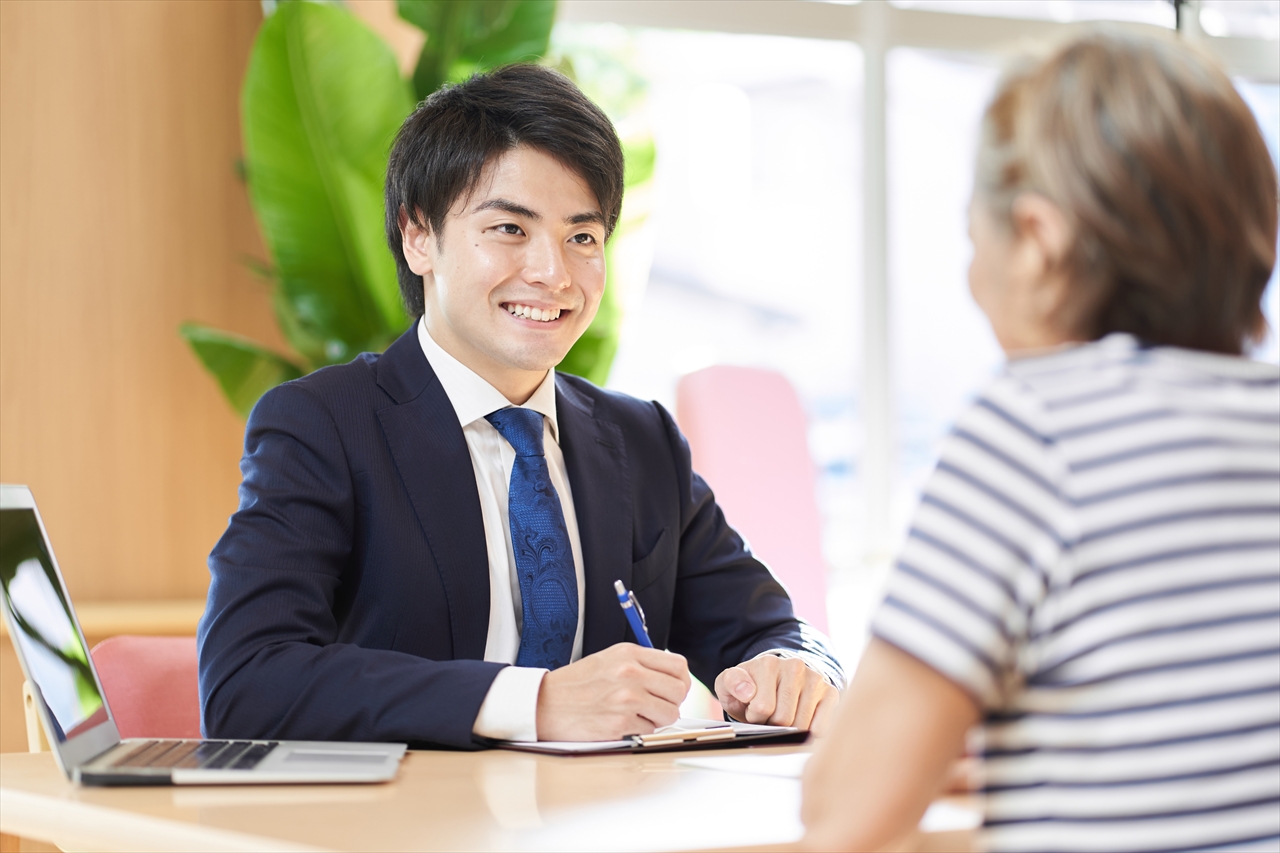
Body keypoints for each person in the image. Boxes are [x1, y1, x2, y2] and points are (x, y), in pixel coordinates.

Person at [197, 64, 844, 749]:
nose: (553, 273)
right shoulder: (324, 424)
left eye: (582, 237)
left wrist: (794, 668)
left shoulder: (642, 437)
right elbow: (246, 679)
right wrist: (531, 701)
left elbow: (770, 628)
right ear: (419, 235)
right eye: (509, 228)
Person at [801, 30, 1279, 853]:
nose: (970, 274)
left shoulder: (1037, 425)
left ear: (1038, 240)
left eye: (972, 236)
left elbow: (846, 811)